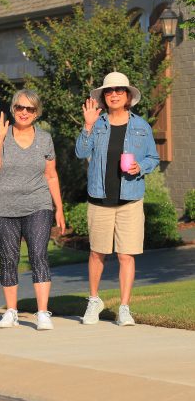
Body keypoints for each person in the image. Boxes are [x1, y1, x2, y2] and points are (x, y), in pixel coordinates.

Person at [75, 72, 159, 326]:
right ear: (103, 97)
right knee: (97, 253)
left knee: (126, 255)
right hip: (99, 199)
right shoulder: (97, 124)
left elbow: (153, 159)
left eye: (119, 91)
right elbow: (81, 152)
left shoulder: (141, 126)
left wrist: (140, 167)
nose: (113, 95)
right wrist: (87, 125)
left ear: (128, 96)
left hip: (130, 200)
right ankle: (93, 301)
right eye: (109, 92)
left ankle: (124, 307)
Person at [0, 89, 65, 331]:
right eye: (20, 107)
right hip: (3, 207)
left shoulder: (44, 139)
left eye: (30, 109)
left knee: (38, 255)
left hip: (38, 204)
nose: (24, 112)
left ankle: (42, 313)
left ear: (36, 112)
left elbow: (51, 176)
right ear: (13, 109)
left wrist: (59, 208)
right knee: (8, 258)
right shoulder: (2, 135)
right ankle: (11, 312)